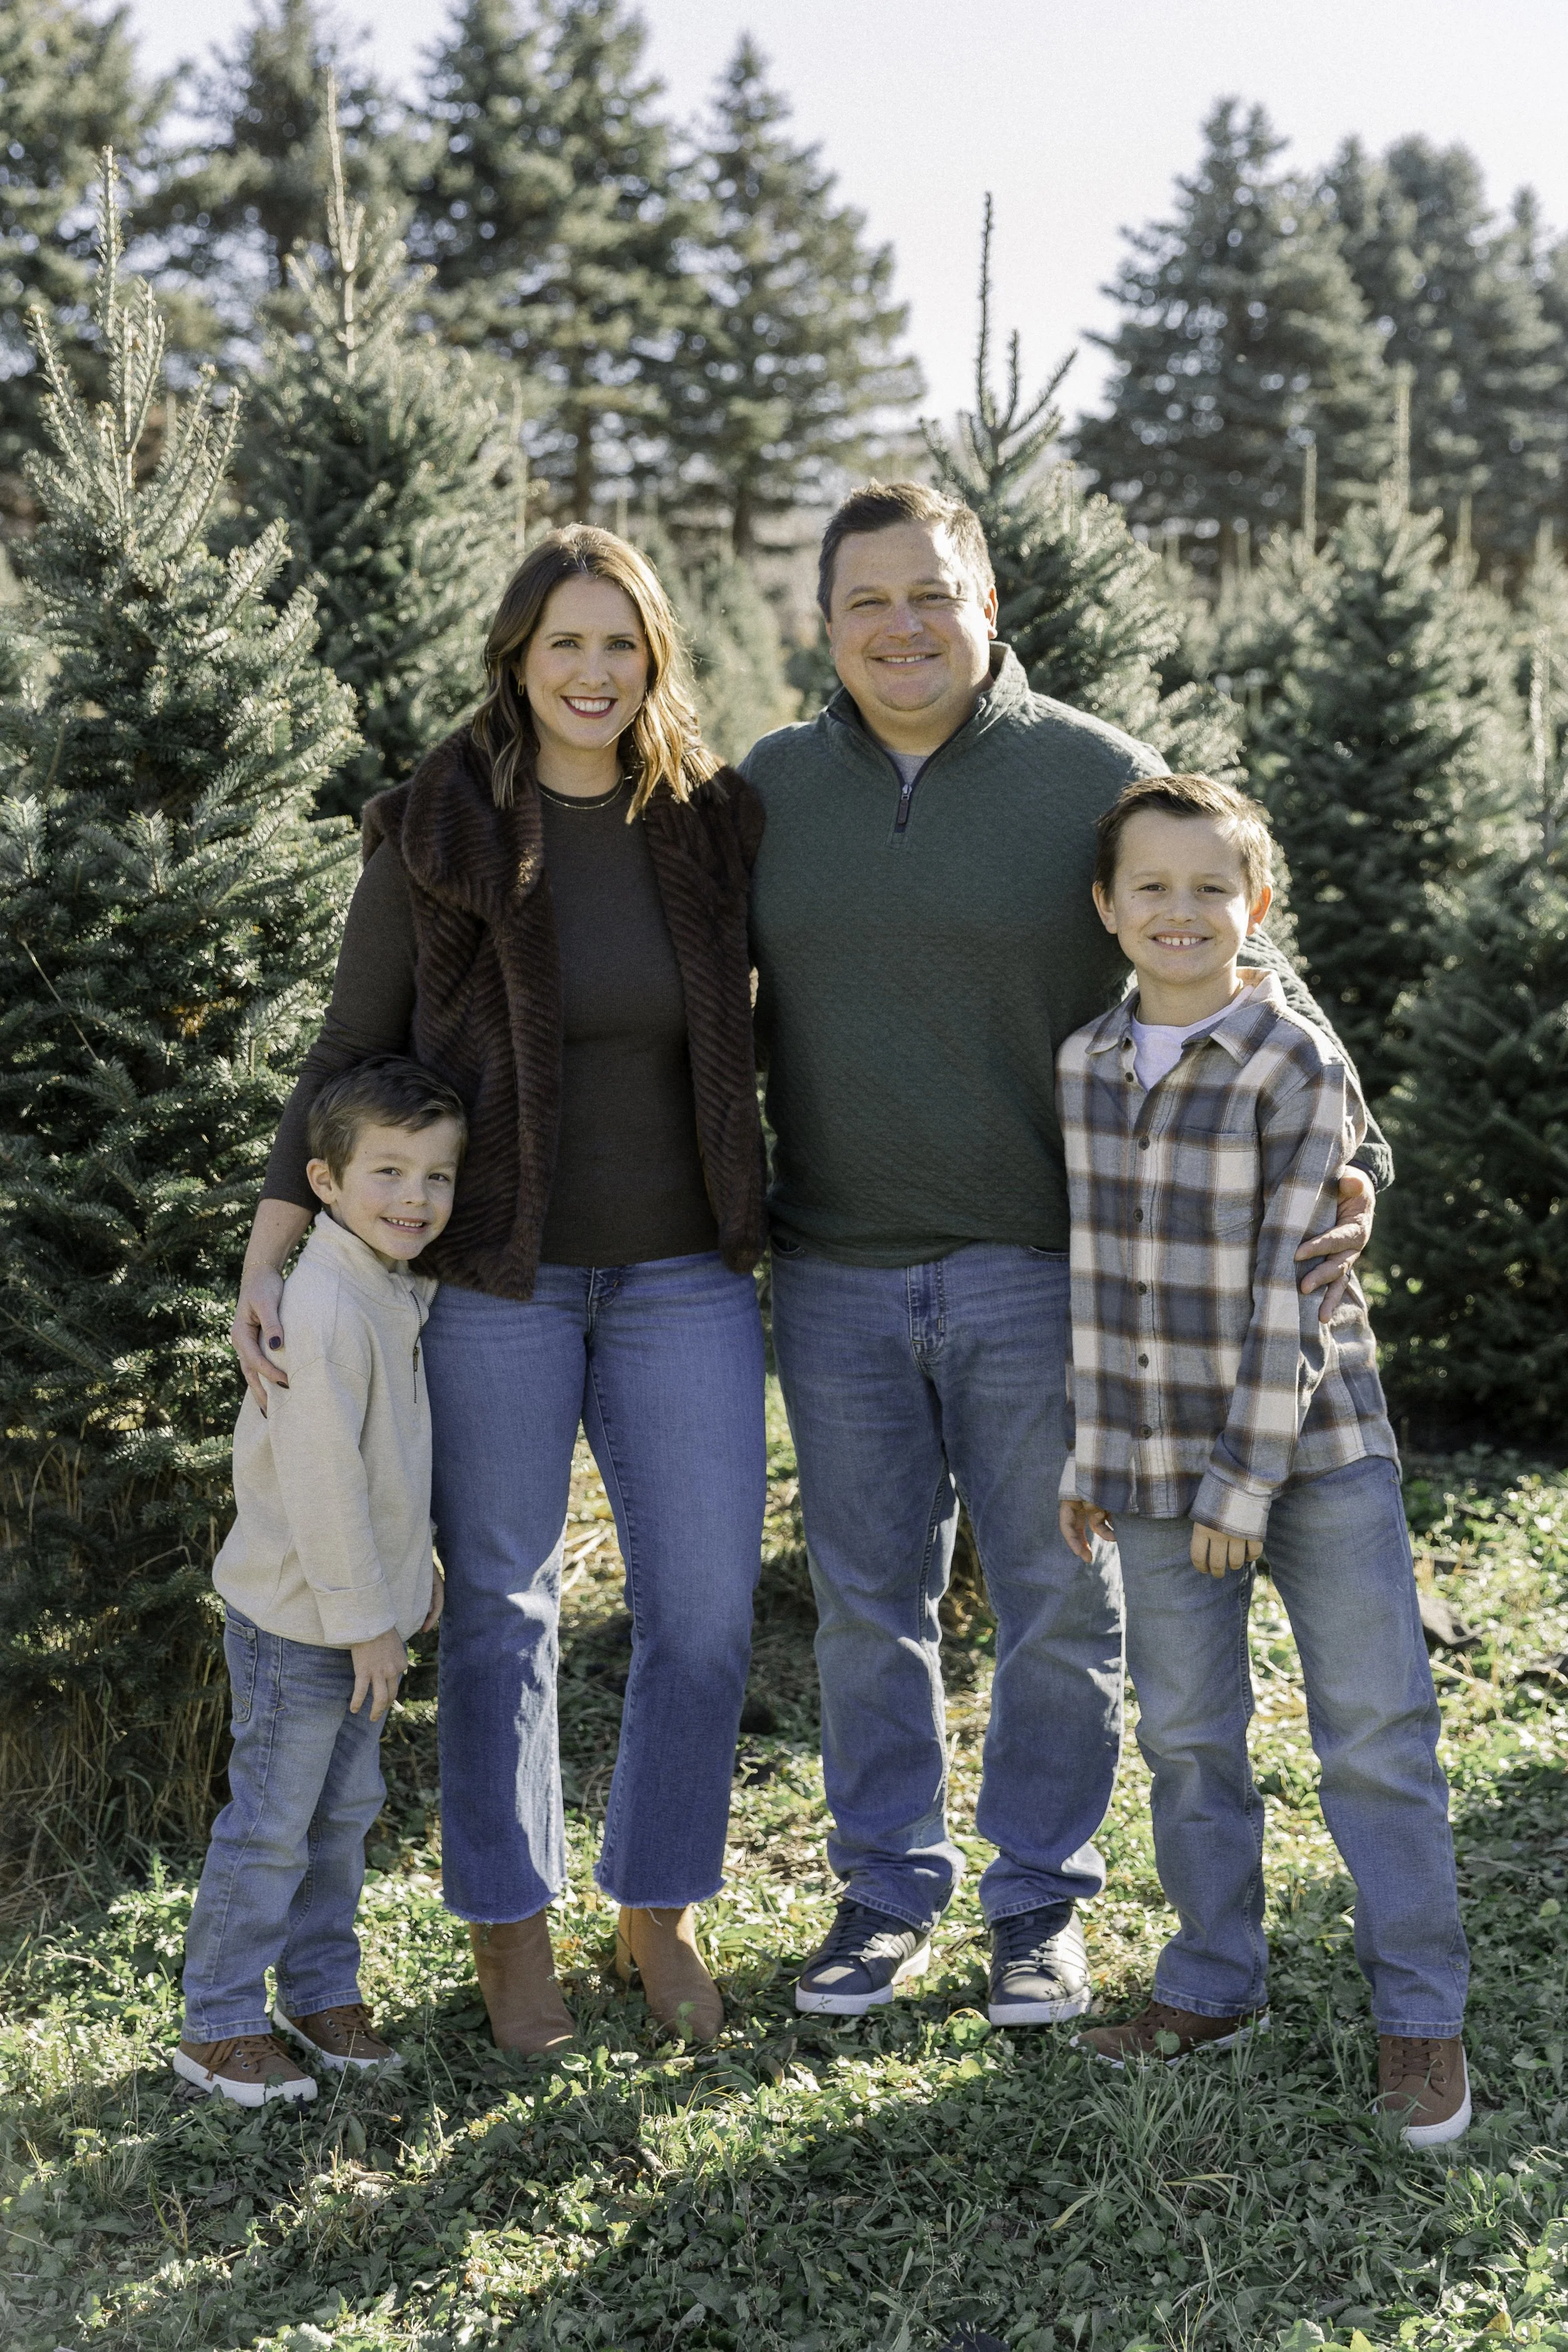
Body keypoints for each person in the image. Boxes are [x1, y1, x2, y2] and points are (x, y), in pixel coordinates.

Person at [743, 480, 1388, 2026]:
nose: (899, 629)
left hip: (1044, 1268)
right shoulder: (764, 791)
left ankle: (1038, 1901)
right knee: (864, 1601)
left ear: (984, 601)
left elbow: (1244, 962)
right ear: (823, 624)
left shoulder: (1089, 773)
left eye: (928, 595)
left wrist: (1354, 1157)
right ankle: (883, 1891)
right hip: (829, 1267)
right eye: (864, 604)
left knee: (1052, 1599)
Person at [230, 527, 769, 2052]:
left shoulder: (714, 822)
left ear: (654, 656)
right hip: (496, 1282)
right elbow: (346, 1047)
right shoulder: (437, 830)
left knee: (702, 1613)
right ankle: (507, 1922)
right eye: (563, 646)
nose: (592, 674)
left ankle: (655, 1905)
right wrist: (270, 1245)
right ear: (517, 660)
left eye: (620, 645)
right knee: (499, 1616)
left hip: (681, 1277)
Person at [1058, 772, 1468, 2147]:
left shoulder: (1293, 1063)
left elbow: (1298, 1292)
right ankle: (1213, 1983)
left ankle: (1418, 2019)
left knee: (1372, 1734)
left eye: (1209, 889)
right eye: (1152, 889)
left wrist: (1240, 1485)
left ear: (1256, 906)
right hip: (1155, 1463)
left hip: (1313, 1455)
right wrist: (1089, 1454)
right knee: (1184, 1738)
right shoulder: (1085, 1067)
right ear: (1108, 908)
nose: (1181, 912)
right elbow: (1099, 1284)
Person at [176, 1056, 465, 2105]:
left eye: (437, 1177)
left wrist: (411, 1567)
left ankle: (318, 1989)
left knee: (344, 1810)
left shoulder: (386, 1287)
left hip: (359, 1615)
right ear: (325, 1184)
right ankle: (215, 2023)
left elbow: (392, 1463)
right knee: (273, 1822)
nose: (417, 1198)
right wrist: (365, 1620)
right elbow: (323, 1482)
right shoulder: (327, 1305)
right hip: (304, 1625)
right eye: (388, 1172)